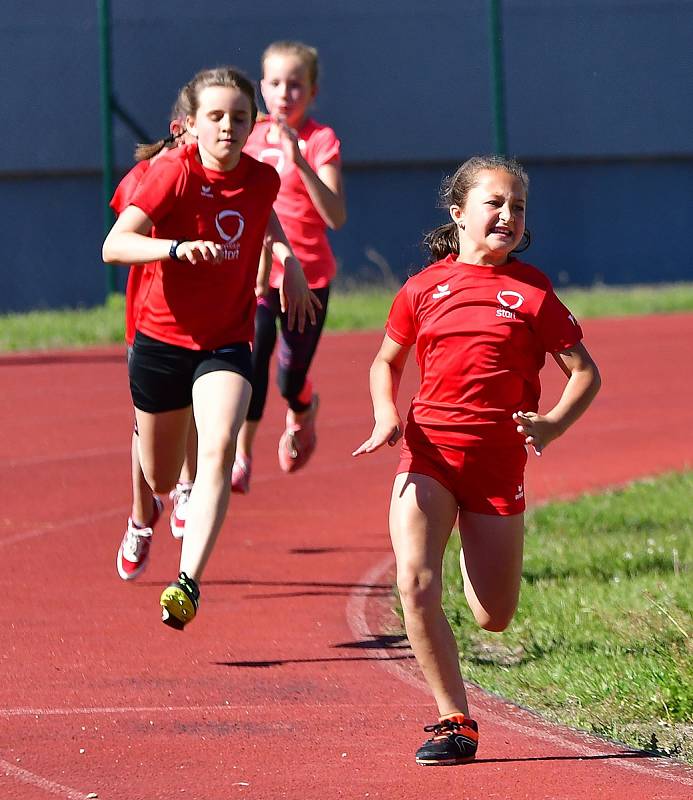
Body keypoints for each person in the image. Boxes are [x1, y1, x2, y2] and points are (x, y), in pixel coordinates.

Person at [353, 155, 601, 765]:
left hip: (496, 467)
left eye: (517, 207)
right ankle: (453, 719)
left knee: (494, 617)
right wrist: (387, 413)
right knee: (414, 582)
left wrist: (552, 424)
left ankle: (470, 542)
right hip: (428, 451)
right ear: (458, 212)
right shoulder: (421, 288)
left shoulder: (535, 293)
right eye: (494, 203)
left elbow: (586, 374)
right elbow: (386, 361)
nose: (507, 216)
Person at [103, 65, 320, 629]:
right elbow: (115, 244)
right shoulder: (169, 172)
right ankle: (146, 509)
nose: (228, 127)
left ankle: (187, 583)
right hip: (159, 338)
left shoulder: (261, 177)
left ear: (253, 126)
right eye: (216, 117)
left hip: (225, 339)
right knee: (159, 473)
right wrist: (175, 250)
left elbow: (259, 211)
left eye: (240, 117)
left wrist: (287, 259)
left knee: (219, 446)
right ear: (191, 125)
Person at [233, 40, 346, 493]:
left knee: (289, 374)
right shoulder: (247, 133)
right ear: (261, 87)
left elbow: (335, 216)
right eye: (276, 83)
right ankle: (241, 455)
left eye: (296, 85)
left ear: (313, 92)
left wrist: (299, 159)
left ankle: (303, 410)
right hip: (256, 274)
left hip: (309, 276)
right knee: (253, 360)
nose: (285, 94)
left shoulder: (320, 139)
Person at [111, 97, 199, 582]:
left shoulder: (231, 179)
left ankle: (187, 485)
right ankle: (141, 517)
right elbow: (124, 236)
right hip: (149, 319)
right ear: (181, 127)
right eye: (208, 122)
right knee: (146, 426)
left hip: (206, 321)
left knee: (202, 401)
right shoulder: (152, 176)